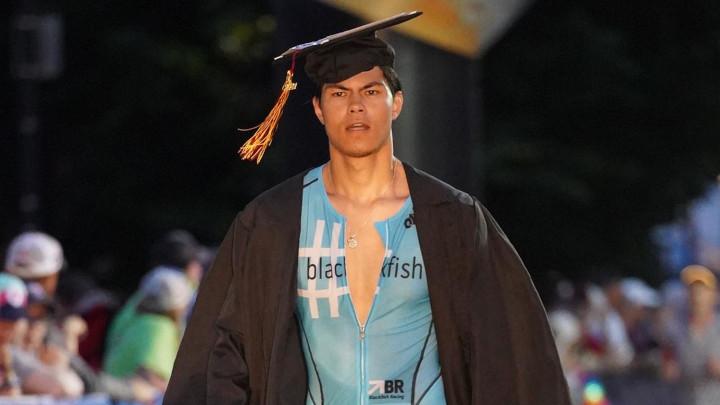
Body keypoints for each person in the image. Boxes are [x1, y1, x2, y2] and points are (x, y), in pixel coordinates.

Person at [165, 11, 569, 405]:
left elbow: (508, 352)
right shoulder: (273, 222)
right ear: (319, 110)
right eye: (339, 93)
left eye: (371, 91)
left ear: (396, 105)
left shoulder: (452, 217)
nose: (356, 106)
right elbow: (223, 352)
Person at [662, 265, 720, 404]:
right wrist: (668, 369)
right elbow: (667, 365)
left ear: (715, 295)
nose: (696, 295)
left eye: (702, 290)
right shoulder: (675, 330)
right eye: (691, 290)